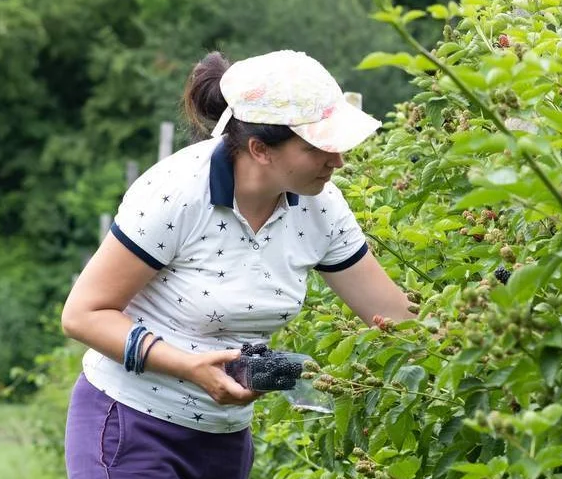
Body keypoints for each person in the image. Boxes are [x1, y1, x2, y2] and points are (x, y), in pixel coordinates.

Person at [61, 50, 415, 479]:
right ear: (260, 149)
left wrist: (493, 314)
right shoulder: (176, 194)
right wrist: (188, 366)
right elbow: (83, 314)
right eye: (317, 148)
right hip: (130, 424)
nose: (337, 161)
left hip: (223, 437)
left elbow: (394, 318)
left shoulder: (322, 207)